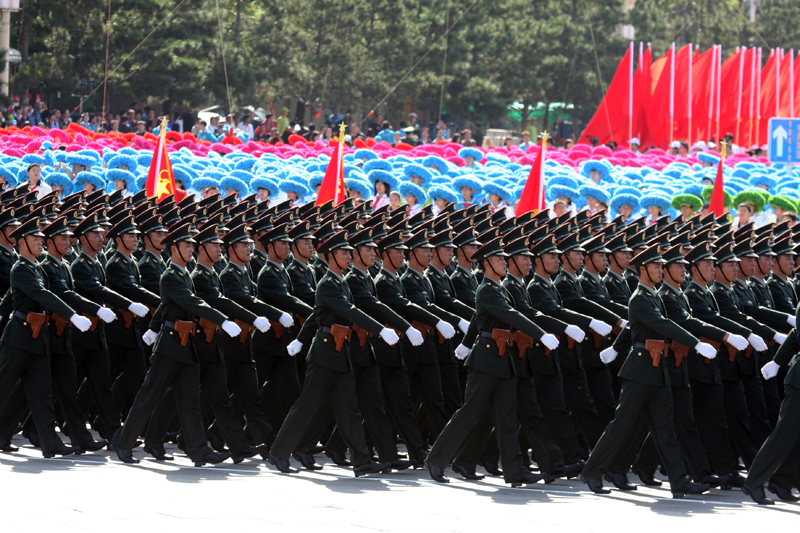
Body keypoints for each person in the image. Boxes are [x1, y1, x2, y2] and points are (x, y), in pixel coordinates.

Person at [581, 244, 714, 498]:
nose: (661, 271)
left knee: (665, 427)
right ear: (643, 269)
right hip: (641, 370)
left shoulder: (652, 296)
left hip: (657, 368)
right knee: (621, 425)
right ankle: (592, 470)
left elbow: (633, 327)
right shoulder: (640, 298)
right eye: (655, 267)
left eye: (661, 267)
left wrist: (617, 349)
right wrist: (696, 343)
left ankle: (679, 481)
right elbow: (659, 323)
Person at [425, 236, 554, 487]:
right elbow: (509, 314)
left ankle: (514, 471)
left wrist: (465, 342)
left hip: (502, 358)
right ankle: (436, 459)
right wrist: (541, 334)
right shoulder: (486, 289)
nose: (504, 262)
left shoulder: (498, 288)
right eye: (498, 259)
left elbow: (477, 318)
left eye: (505, 258)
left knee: (506, 417)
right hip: (486, 360)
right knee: (469, 412)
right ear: (486, 263)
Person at [266, 230, 396, 477]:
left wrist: (300, 340)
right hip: (325, 355)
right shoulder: (328, 284)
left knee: (349, 408)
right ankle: (278, 453)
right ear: (329, 256)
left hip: (340, 353)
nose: (348, 256)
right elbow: (347, 311)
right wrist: (380, 330)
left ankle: (361, 460)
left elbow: (316, 316)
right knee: (306, 405)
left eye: (349, 252)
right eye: (343, 253)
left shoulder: (341, 282)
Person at [112, 222, 240, 466]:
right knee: (148, 396)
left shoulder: (183, 274)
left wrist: (153, 325)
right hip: (170, 347)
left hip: (186, 345)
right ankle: (123, 442)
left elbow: (166, 305)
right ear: (173, 249)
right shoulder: (171, 276)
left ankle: (199, 452)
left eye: (192, 245)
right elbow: (190, 302)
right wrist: (223, 320)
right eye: (186, 245)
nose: (191, 249)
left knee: (190, 402)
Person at [0, 218, 94, 458]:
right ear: (22, 243)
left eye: (41, 239)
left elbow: (12, 299)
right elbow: (40, 294)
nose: (40, 243)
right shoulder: (20, 268)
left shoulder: (37, 267)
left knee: (41, 393)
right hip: (19, 338)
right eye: (35, 239)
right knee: (4, 386)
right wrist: (72, 315)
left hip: (38, 337)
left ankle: (50, 443)